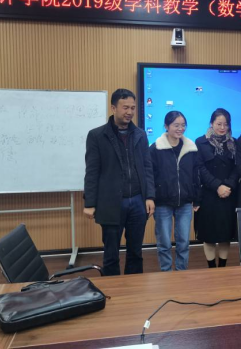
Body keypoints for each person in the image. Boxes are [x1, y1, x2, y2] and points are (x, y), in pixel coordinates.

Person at [83, 88, 155, 275]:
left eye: (132, 108)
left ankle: (134, 287)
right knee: (111, 254)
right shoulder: (97, 135)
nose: (129, 112)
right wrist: (89, 203)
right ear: (113, 108)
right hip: (111, 202)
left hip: (138, 201)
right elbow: (92, 172)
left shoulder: (140, 134)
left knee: (136, 253)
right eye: (125, 107)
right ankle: (112, 288)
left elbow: (147, 167)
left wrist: (150, 196)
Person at [150, 111, 200, 271]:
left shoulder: (190, 148)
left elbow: (196, 175)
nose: (180, 128)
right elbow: (149, 176)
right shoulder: (155, 148)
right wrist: (151, 198)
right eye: (176, 125)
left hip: (185, 202)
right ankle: (166, 272)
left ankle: (181, 273)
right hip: (162, 202)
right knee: (164, 242)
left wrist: (196, 198)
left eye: (183, 125)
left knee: (183, 242)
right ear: (166, 126)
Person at [195, 108, 238, 268]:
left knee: (225, 235)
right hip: (209, 195)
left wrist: (228, 186)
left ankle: (222, 268)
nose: (222, 127)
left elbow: (237, 168)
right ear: (212, 123)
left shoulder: (234, 143)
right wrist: (217, 186)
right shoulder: (201, 142)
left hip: (229, 195)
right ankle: (212, 268)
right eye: (219, 124)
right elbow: (200, 168)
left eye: (225, 124)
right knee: (209, 236)